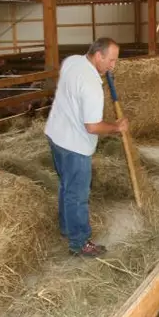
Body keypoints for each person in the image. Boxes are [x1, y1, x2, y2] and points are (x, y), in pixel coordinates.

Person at [44, 37, 129, 257]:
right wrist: (116, 128)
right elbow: (92, 127)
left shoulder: (72, 61)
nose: (113, 66)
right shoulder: (92, 87)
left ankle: (67, 227)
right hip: (75, 146)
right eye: (110, 61)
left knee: (66, 185)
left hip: (56, 135)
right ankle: (80, 243)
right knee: (78, 195)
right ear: (98, 56)